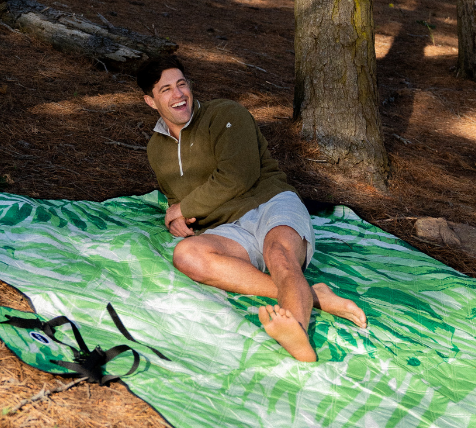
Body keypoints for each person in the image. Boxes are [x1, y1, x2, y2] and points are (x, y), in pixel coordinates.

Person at [137, 55, 367, 362]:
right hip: (227, 230)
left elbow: (237, 176)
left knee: (280, 256)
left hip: (269, 202)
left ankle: (297, 334)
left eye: (182, 84)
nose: (178, 95)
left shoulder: (226, 114)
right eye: (165, 89)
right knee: (186, 255)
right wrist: (176, 219)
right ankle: (313, 295)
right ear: (151, 101)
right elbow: (175, 199)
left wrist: (185, 207)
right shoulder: (156, 148)